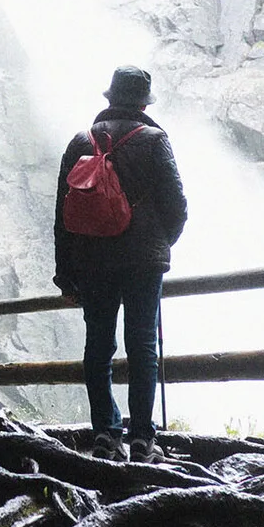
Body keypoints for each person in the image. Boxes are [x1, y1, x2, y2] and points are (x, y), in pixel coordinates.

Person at [53, 65, 188, 462]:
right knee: (143, 343)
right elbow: (177, 207)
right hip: (143, 263)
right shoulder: (155, 141)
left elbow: (62, 217)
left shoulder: (80, 141)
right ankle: (143, 437)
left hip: (92, 261)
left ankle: (106, 434)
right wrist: (159, 247)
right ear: (144, 103)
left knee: (98, 345)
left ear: (109, 98)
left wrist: (66, 273)